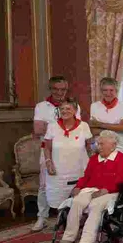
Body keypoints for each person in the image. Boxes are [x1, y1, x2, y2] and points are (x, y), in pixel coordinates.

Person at [58, 131, 123, 243]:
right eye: (98, 143)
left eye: (102, 144)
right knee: (77, 202)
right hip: (90, 190)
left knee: (96, 206)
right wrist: (78, 187)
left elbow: (122, 179)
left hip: (110, 192)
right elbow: (86, 177)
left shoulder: (122, 158)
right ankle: (67, 239)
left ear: (113, 146)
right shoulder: (94, 159)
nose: (98, 146)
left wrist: (106, 189)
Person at [32, 76, 82, 231]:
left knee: (70, 183)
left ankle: (67, 216)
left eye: (63, 89)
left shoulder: (74, 106)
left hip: (69, 152)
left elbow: (76, 126)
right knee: (44, 184)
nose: (59, 92)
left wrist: (51, 125)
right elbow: (38, 130)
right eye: (56, 89)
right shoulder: (41, 106)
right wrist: (61, 125)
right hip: (47, 150)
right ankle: (42, 217)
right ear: (50, 89)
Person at [42, 98, 92, 213]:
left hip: (79, 171)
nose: (64, 111)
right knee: (59, 203)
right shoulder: (52, 126)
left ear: (75, 111)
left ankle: (78, 224)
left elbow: (89, 148)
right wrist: (48, 162)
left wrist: (93, 166)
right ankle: (63, 223)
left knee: (80, 203)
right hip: (58, 172)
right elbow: (47, 148)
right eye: (62, 109)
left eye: (68, 108)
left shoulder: (84, 126)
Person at [89, 77, 123, 154]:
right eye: (105, 90)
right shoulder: (94, 106)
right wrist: (115, 127)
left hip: (119, 147)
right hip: (100, 148)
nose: (108, 93)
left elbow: (122, 127)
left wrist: (99, 124)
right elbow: (93, 131)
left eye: (111, 90)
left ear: (116, 91)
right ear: (101, 91)